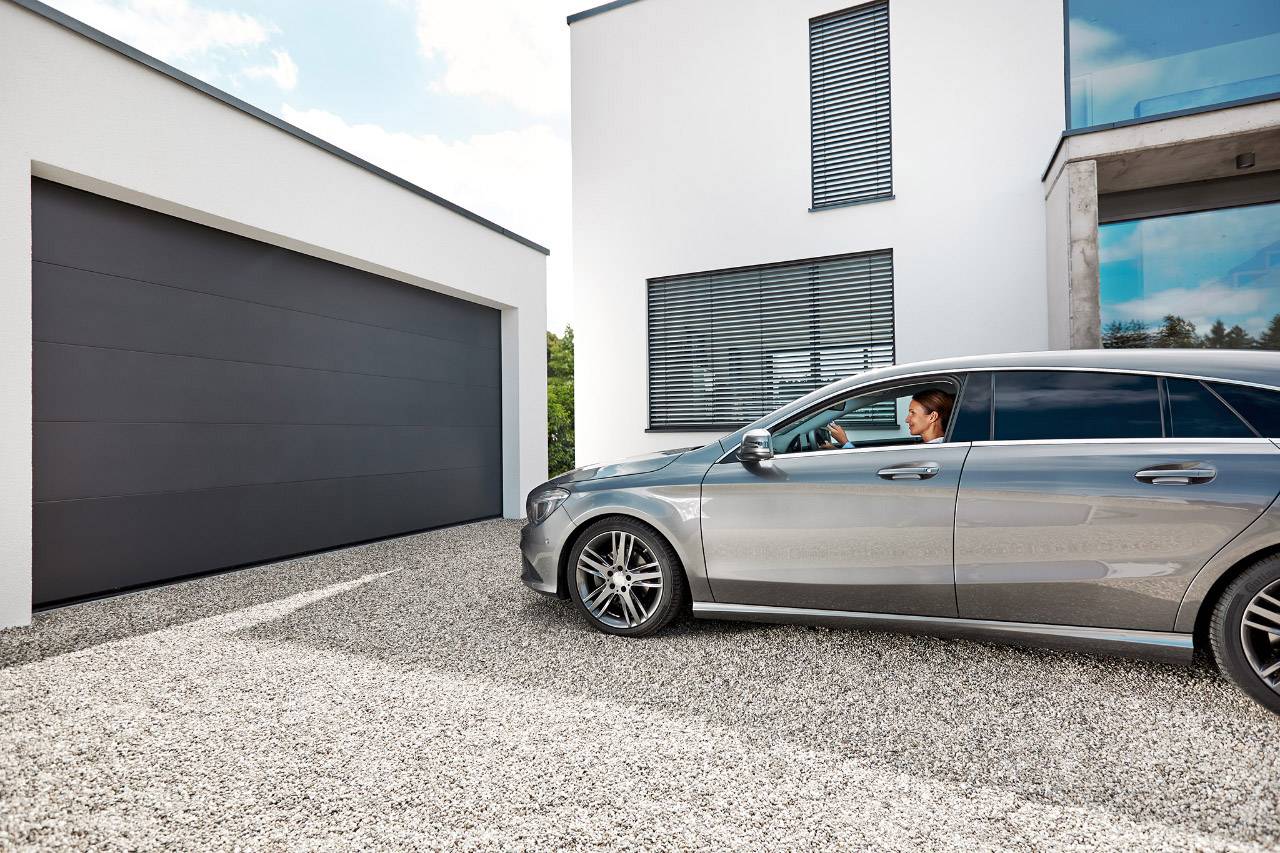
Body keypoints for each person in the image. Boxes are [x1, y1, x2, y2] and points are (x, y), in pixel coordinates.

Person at [827, 388, 955, 448]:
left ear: (932, 416)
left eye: (912, 413)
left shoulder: (933, 451)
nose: (906, 419)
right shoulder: (936, 447)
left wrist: (845, 442)